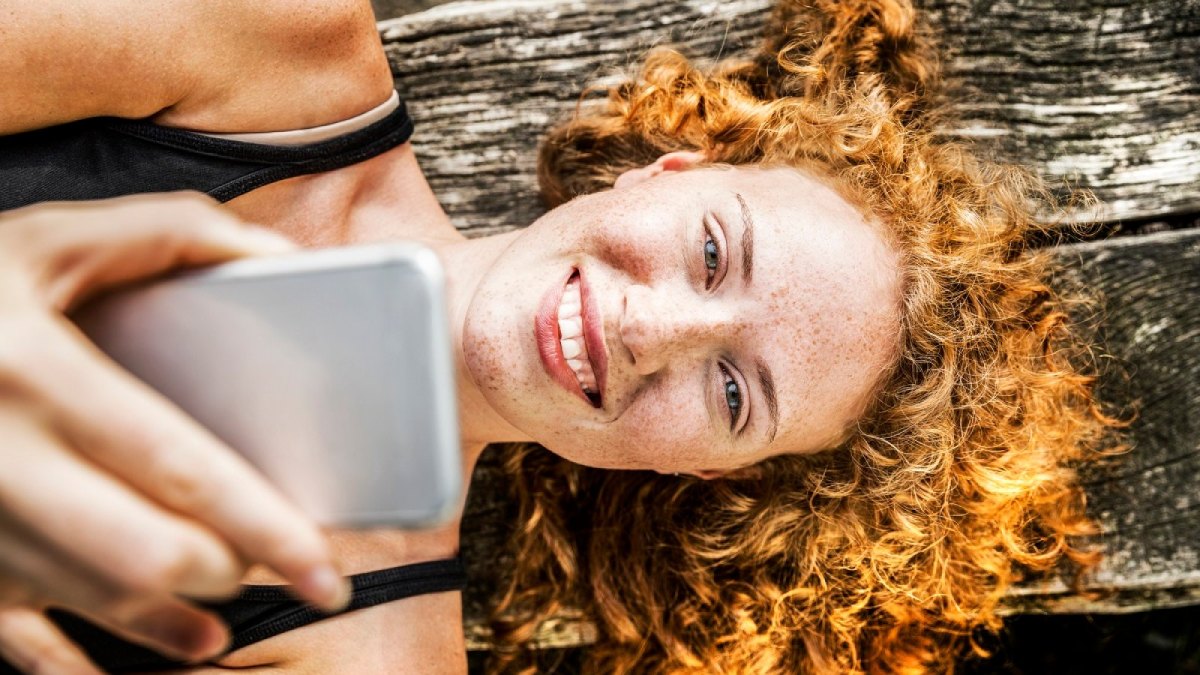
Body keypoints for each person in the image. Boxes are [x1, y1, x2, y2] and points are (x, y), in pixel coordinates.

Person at [0, 0, 1118, 673]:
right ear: (665, 172)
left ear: (702, 474)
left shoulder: (359, 655)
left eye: (734, 394)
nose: (652, 327)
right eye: (714, 253)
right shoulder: (269, 40)